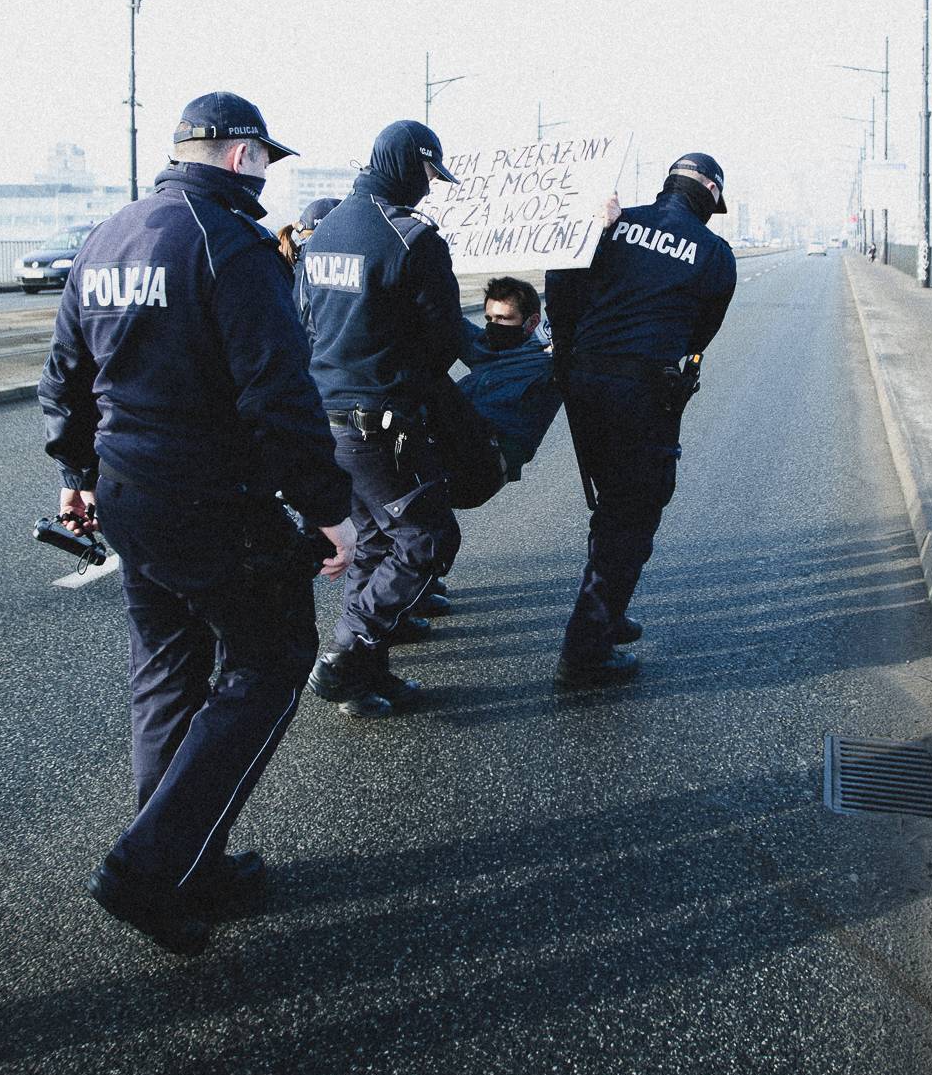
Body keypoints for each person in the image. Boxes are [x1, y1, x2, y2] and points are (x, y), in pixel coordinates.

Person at [39, 92, 355, 957]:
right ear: (242, 155)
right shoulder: (232, 242)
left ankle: (188, 858)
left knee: (169, 671)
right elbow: (278, 397)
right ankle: (150, 867)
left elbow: (64, 370)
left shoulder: (108, 233)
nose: (265, 180)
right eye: (265, 163)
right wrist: (330, 512)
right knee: (272, 657)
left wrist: (77, 473)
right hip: (211, 496)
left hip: (129, 493)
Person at [543, 152, 737, 688]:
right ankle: (585, 652)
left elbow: (561, 281)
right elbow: (701, 333)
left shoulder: (614, 223)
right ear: (711, 198)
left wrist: (571, 353)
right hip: (642, 391)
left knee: (611, 504)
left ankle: (609, 609)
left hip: (583, 380)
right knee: (632, 512)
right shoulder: (715, 253)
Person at [298, 118, 468, 716]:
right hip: (383, 423)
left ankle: (368, 676)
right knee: (426, 538)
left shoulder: (322, 233)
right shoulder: (411, 238)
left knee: (372, 545)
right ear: (408, 163)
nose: (429, 186)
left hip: (327, 417)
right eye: (428, 172)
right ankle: (347, 655)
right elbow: (443, 339)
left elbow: (306, 324)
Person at [457, 276, 561, 480]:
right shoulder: (482, 345)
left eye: (503, 318)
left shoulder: (546, 361)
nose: (493, 326)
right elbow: (447, 318)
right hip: (457, 431)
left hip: (495, 449)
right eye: (489, 319)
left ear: (532, 322)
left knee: (433, 383)